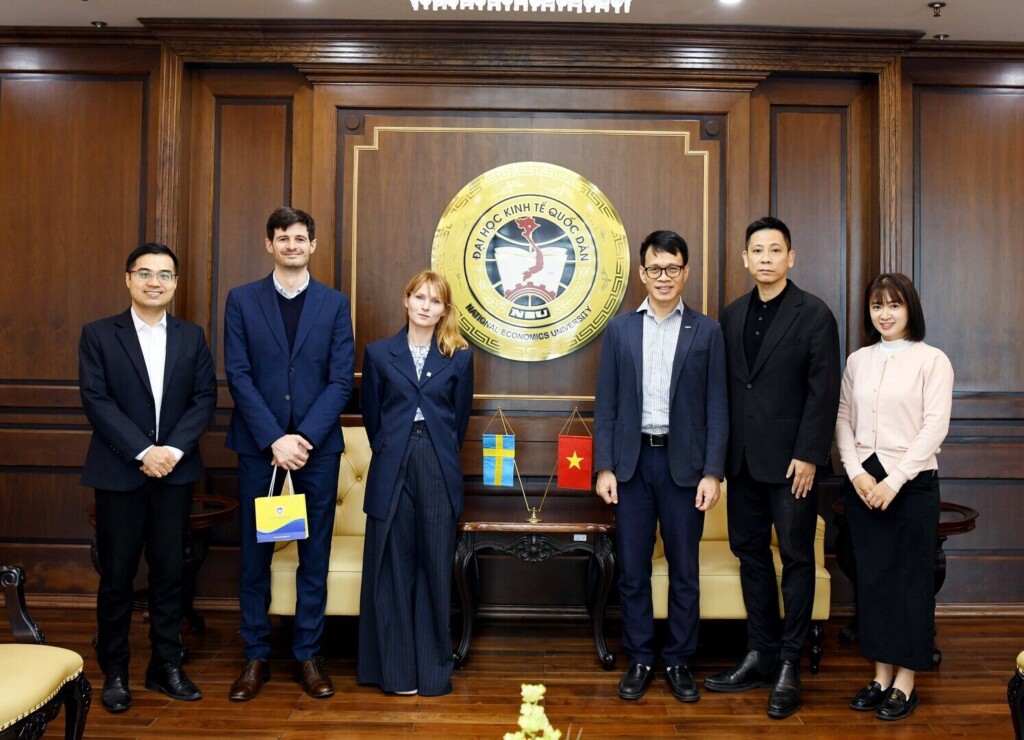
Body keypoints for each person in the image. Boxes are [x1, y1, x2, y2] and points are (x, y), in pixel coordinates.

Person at [706, 216, 840, 719]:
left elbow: (823, 393)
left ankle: (789, 663)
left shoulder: (814, 315)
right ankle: (760, 653)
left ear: (791, 257)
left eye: (774, 249)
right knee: (751, 555)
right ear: (745, 259)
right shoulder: (733, 313)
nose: (765, 257)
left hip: (792, 465)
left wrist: (809, 454)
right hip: (742, 463)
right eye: (756, 250)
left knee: (799, 559)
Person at [79, 243, 217, 713]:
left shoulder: (191, 336)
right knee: (117, 577)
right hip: (121, 473)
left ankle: (166, 665)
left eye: (165, 275)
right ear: (128, 279)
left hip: (175, 474)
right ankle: (114, 671)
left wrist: (171, 451)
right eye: (145, 273)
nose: (155, 281)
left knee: (170, 574)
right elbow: (97, 401)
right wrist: (143, 451)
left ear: (175, 284)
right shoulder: (99, 335)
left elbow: (204, 398)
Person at [224, 206, 354, 701]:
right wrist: (275, 438)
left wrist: (302, 438)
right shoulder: (242, 300)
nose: (292, 245)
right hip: (260, 449)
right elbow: (238, 374)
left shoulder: (335, 304)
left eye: (300, 238)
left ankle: (308, 655)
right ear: (269, 244)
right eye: (283, 238)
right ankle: (255, 656)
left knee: (313, 555)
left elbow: (341, 379)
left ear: (312, 245)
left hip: (315, 451)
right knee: (255, 556)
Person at [594, 230, 728, 703]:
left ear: (685, 272)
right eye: (655, 268)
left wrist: (713, 472)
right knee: (633, 570)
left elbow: (717, 409)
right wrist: (604, 466)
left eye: (673, 268)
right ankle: (640, 658)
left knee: (684, 569)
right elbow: (606, 404)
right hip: (631, 466)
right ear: (642, 273)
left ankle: (677, 659)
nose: (664, 277)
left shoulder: (707, 331)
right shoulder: (621, 329)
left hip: (685, 468)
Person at [835, 273, 953, 721]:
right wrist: (856, 473)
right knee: (874, 582)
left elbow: (934, 426)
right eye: (877, 306)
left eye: (894, 305)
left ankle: (906, 680)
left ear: (910, 310)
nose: (884, 314)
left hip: (912, 483)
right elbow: (843, 418)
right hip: (865, 480)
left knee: (911, 583)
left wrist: (894, 480)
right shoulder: (858, 361)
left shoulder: (933, 360)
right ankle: (880, 675)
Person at [357, 270, 474, 697]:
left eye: (435, 300)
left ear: (445, 310)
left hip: (438, 464)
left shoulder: (459, 356)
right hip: (392, 462)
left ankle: (431, 674)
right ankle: (397, 674)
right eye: (419, 297)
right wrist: (394, 447)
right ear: (406, 301)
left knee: (434, 566)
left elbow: (458, 421)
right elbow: (373, 417)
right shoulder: (378, 353)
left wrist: (431, 449)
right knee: (393, 566)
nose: (426, 306)